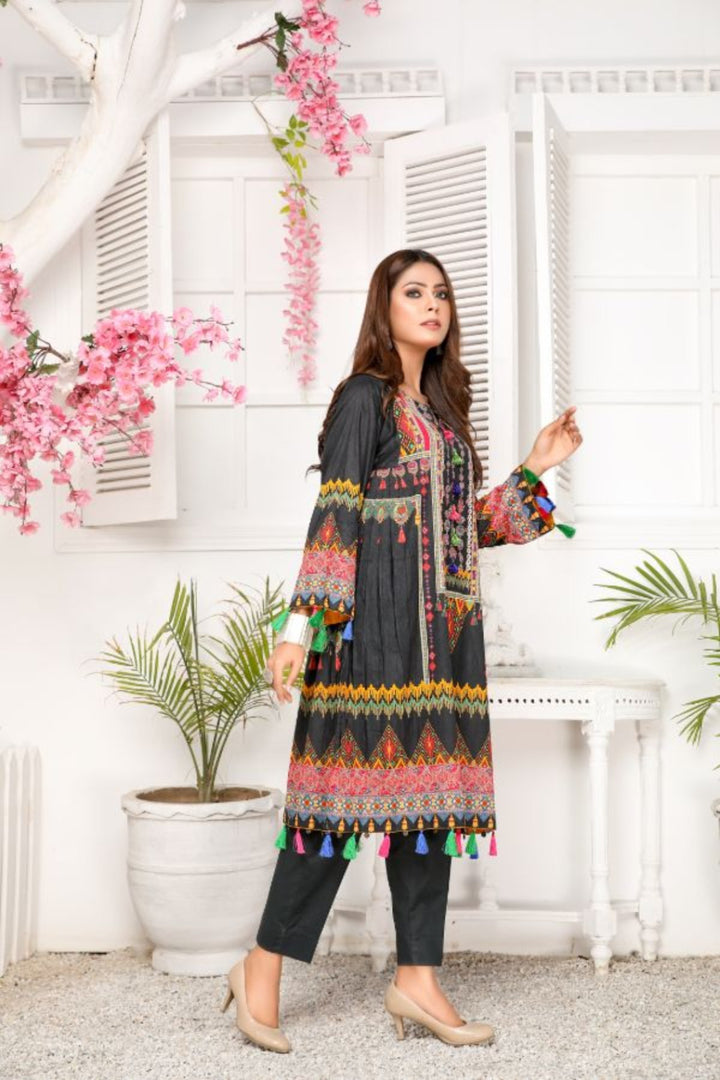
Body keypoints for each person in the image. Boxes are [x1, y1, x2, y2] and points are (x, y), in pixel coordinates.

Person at [220, 248, 583, 1053]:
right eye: (414, 292)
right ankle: (261, 965)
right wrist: (298, 631)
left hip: (445, 645)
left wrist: (534, 467)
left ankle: (417, 978)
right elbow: (337, 508)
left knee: (431, 813)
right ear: (384, 308)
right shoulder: (366, 397)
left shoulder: (443, 420)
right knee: (333, 808)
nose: (432, 304)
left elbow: (466, 531)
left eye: (441, 293)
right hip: (370, 638)